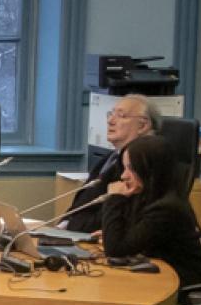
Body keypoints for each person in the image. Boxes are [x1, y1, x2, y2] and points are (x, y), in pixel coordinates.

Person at [100, 134, 201, 288]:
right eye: (124, 167)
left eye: (131, 168)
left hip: (184, 283)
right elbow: (129, 239)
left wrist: (113, 198)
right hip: (161, 275)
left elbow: (116, 250)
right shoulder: (149, 195)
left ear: (150, 171)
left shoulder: (166, 209)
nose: (123, 176)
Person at [63, 94, 164, 233]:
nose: (110, 121)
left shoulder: (143, 167)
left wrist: (72, 228)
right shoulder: (110, 158)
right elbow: (85, 202)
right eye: (111, 114)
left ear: (143, 125)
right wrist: (62, 225)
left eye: (121, 116)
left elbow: (122, 215)